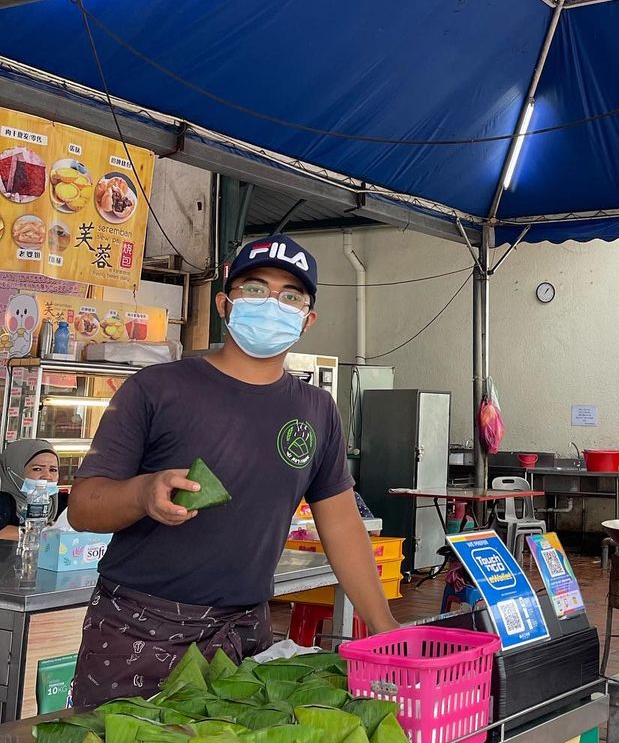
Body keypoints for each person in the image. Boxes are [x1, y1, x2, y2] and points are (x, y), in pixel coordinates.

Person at [67, 233, 397, 707]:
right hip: (137, 626)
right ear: (225, 304)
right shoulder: (157, 388)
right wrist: (143, 494)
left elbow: (342, 523)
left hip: (242, 637)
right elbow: (83, 506)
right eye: (255, 289)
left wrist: (384, 627)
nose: (272, 303)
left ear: (308, 320)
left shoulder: (317, 409)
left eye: (290, 296)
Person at [0, 439, 60, 541]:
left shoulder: (59, 504)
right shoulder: (3, 501)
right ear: (13, 470)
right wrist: (34, 534)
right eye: (37, 469)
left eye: (53, 470)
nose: (47, 476)